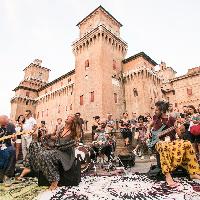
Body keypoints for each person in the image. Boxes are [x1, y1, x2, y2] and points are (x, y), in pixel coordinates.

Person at [18, 115, 81, 190]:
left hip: (65, 154)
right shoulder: (62, 129)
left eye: (70, 117)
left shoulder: (74, 133)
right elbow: (56, 138)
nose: (67, 116)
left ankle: (54, 180)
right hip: (56, 149)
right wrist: (48, 136)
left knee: (45, 154)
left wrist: (50, 146)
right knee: (33, 144)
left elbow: (68, 144)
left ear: (73, 121)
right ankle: (27, 167)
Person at [156, 121, 200, 188]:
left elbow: (181, 137)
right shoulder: (156, 120)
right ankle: (167, 175)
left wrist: (177, 130)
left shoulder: (172, 121)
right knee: (162, 144)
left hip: (172, 143)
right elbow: (154, 132)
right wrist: (148, 131)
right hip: (159, 143)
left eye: (181, 124)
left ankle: (193, 172)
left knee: (187, 143)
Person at [0, 115, 16, 186]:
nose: (5, 126)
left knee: (12, 151)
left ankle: (7, 175)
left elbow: (14, 139)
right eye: (3, 124)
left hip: (7, 145)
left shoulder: (11, 126)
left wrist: (14, 137)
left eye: (6, 124)